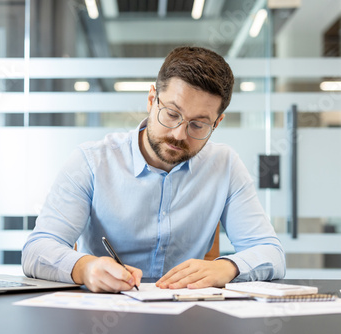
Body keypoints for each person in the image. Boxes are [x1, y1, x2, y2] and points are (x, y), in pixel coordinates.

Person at [22, 46, 286, 293]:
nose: (179, 134)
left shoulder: (225, 165)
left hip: (188, 317)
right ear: (152, 99)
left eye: (198, 125)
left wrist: (227, 267)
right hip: (104, 312)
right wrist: (84, 268)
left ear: (217, 123)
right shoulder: (91, 162)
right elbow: (37, 250)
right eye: (171, 113)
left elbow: (271, 252)